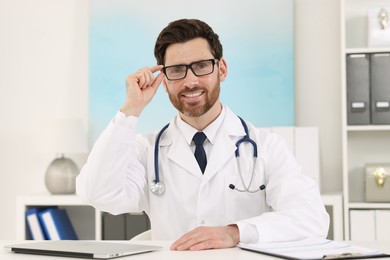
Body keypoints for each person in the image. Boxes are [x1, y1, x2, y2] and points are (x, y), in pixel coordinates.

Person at [76, 18, 329, 251]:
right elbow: (96, 193)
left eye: (201, 66)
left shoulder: (267, 146)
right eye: (177, 70)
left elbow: (312, 219)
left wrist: (235, 233)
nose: (190, 81)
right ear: (163, 81)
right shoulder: (147, 150)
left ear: (222, 69)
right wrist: (131, 109)